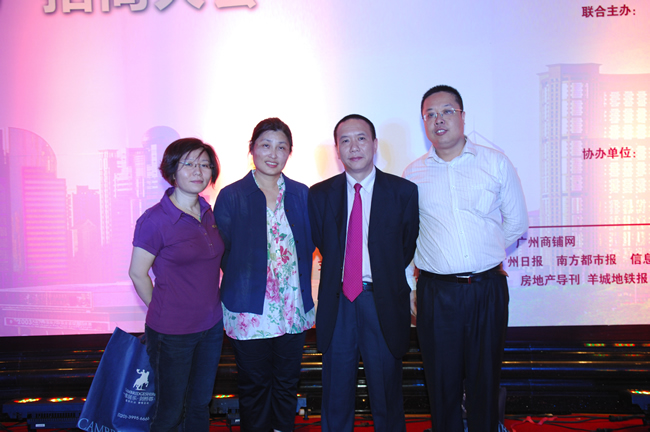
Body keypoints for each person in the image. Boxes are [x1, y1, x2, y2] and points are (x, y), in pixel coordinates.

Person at [403, 85, 529, 432]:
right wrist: (410, 285)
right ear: (424, 123)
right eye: (430, 114)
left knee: (484, 378)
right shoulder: (412, 175)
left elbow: (517, 223)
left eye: (447, 111)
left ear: (462, 116)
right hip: (436, 293)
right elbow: (405, 237)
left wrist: (484, 253)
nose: (438, 120)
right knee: (440, 381)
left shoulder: (495, 162)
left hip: (486, 288)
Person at [308, 114, 419, 432]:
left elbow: (406, 245)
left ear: (374, 144)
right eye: (345, 140)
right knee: (335, 394)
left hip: (382, 301)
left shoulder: (402, 192)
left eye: (360, 138)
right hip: (338, 302)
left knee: (386, 392)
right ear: (337, 149)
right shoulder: (319, 195)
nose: (353, 146)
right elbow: (322, 241)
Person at [214, 118, 315, 432]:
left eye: (282, 147)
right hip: (249, 311)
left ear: (289, 153)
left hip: (293, 308)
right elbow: (222, 252)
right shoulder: (233, 195)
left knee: (287, 383)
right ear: (252, 149)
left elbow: (310, 244)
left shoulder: (301, 194)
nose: (273, 153)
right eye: (266, 145)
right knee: (255, 386)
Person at [128, 138, 224, 432]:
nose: (198, 171)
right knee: (169, 413)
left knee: (199, 405)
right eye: (189, 164)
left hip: (211, 328)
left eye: (205, 164)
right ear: (172, 170)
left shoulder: (209, 212)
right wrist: (164, 309)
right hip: (172, 334)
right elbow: (137, 273)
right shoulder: (155, 220)